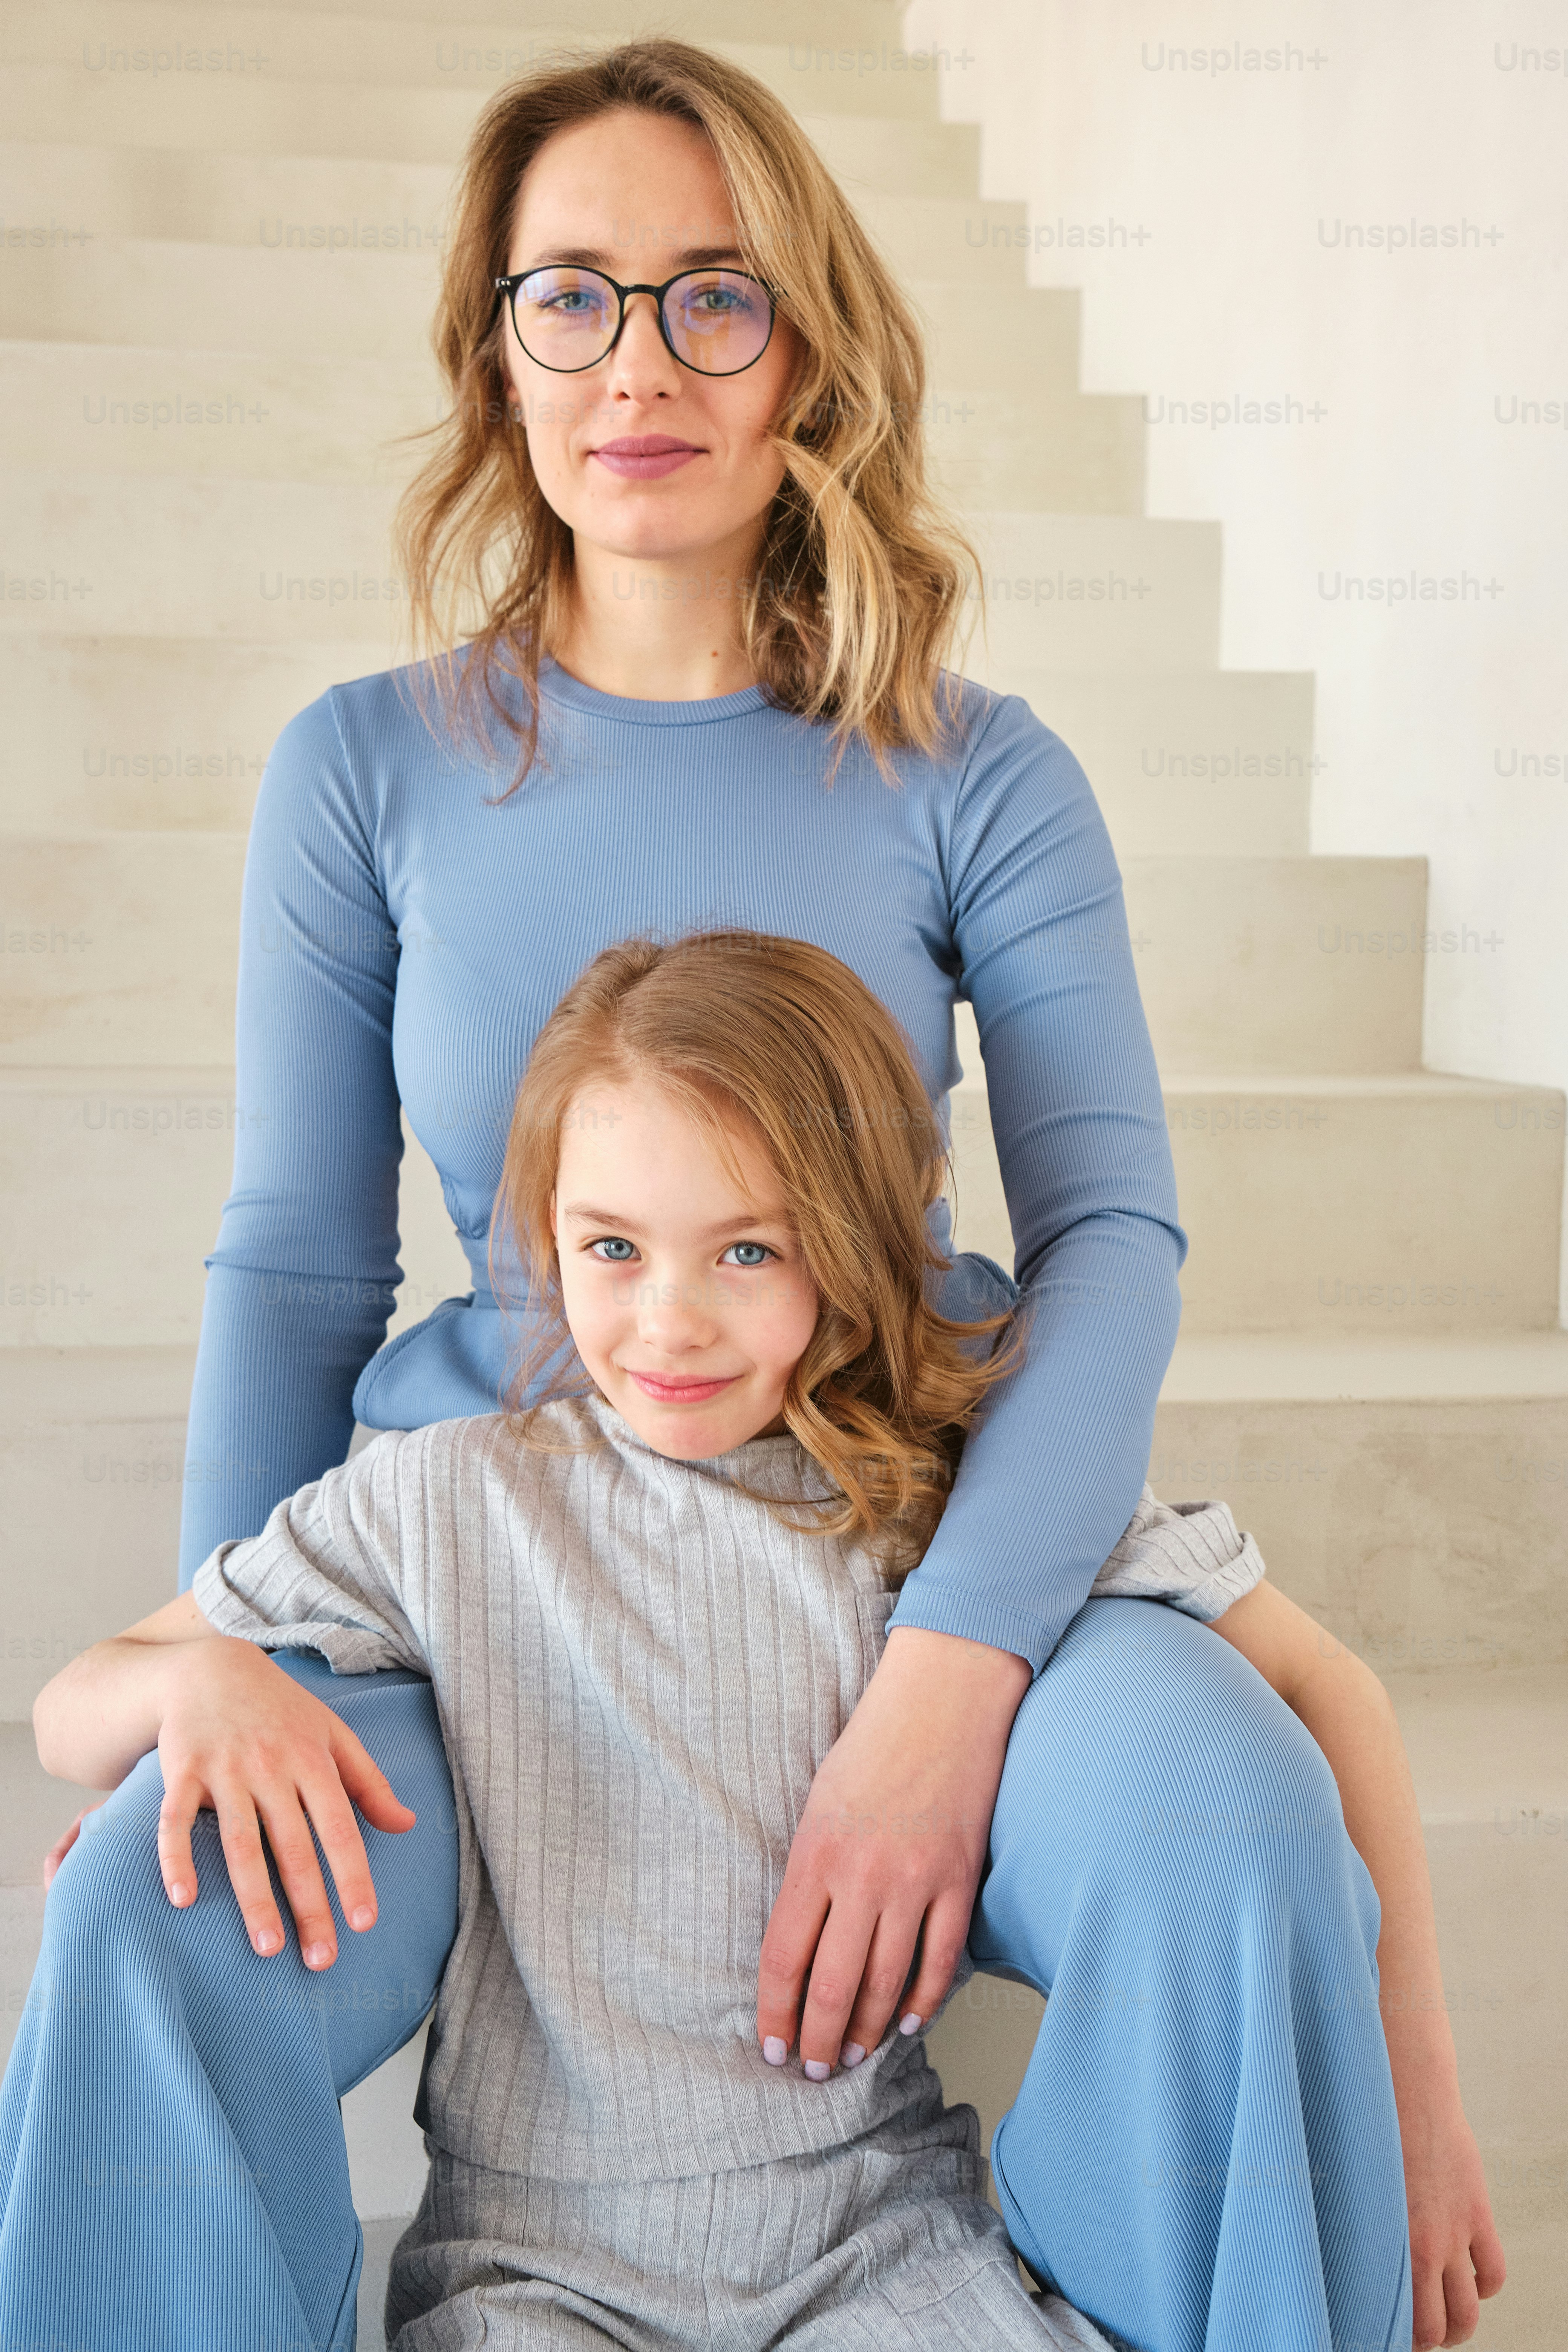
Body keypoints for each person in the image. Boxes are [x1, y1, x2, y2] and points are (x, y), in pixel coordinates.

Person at [0, 35, 1501, 2352]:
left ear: (807, 344)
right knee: (140, 1918)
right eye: (570, 297)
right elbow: (299, 1262)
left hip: (903, 1528)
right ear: (496, 352)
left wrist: (955, 1669)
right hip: (495, 1585)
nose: (641, 362)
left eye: (716, 295)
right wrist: (224, 1656)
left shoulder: (979, 772)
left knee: (1219, 1808)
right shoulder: (363, 769)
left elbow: (1112, 1236)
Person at [24, 932, 1492, 2351]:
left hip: (882, 2261)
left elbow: (1326, 1688)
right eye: (612, 1246)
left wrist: (1417, 2111)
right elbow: (68, 1707)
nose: (666, 1321)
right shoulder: (438, 1499)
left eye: (743, 1250)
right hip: (540, 2281)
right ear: (549, 1233)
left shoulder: (944, 1513)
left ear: (844, 1246)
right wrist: (204, 1680)